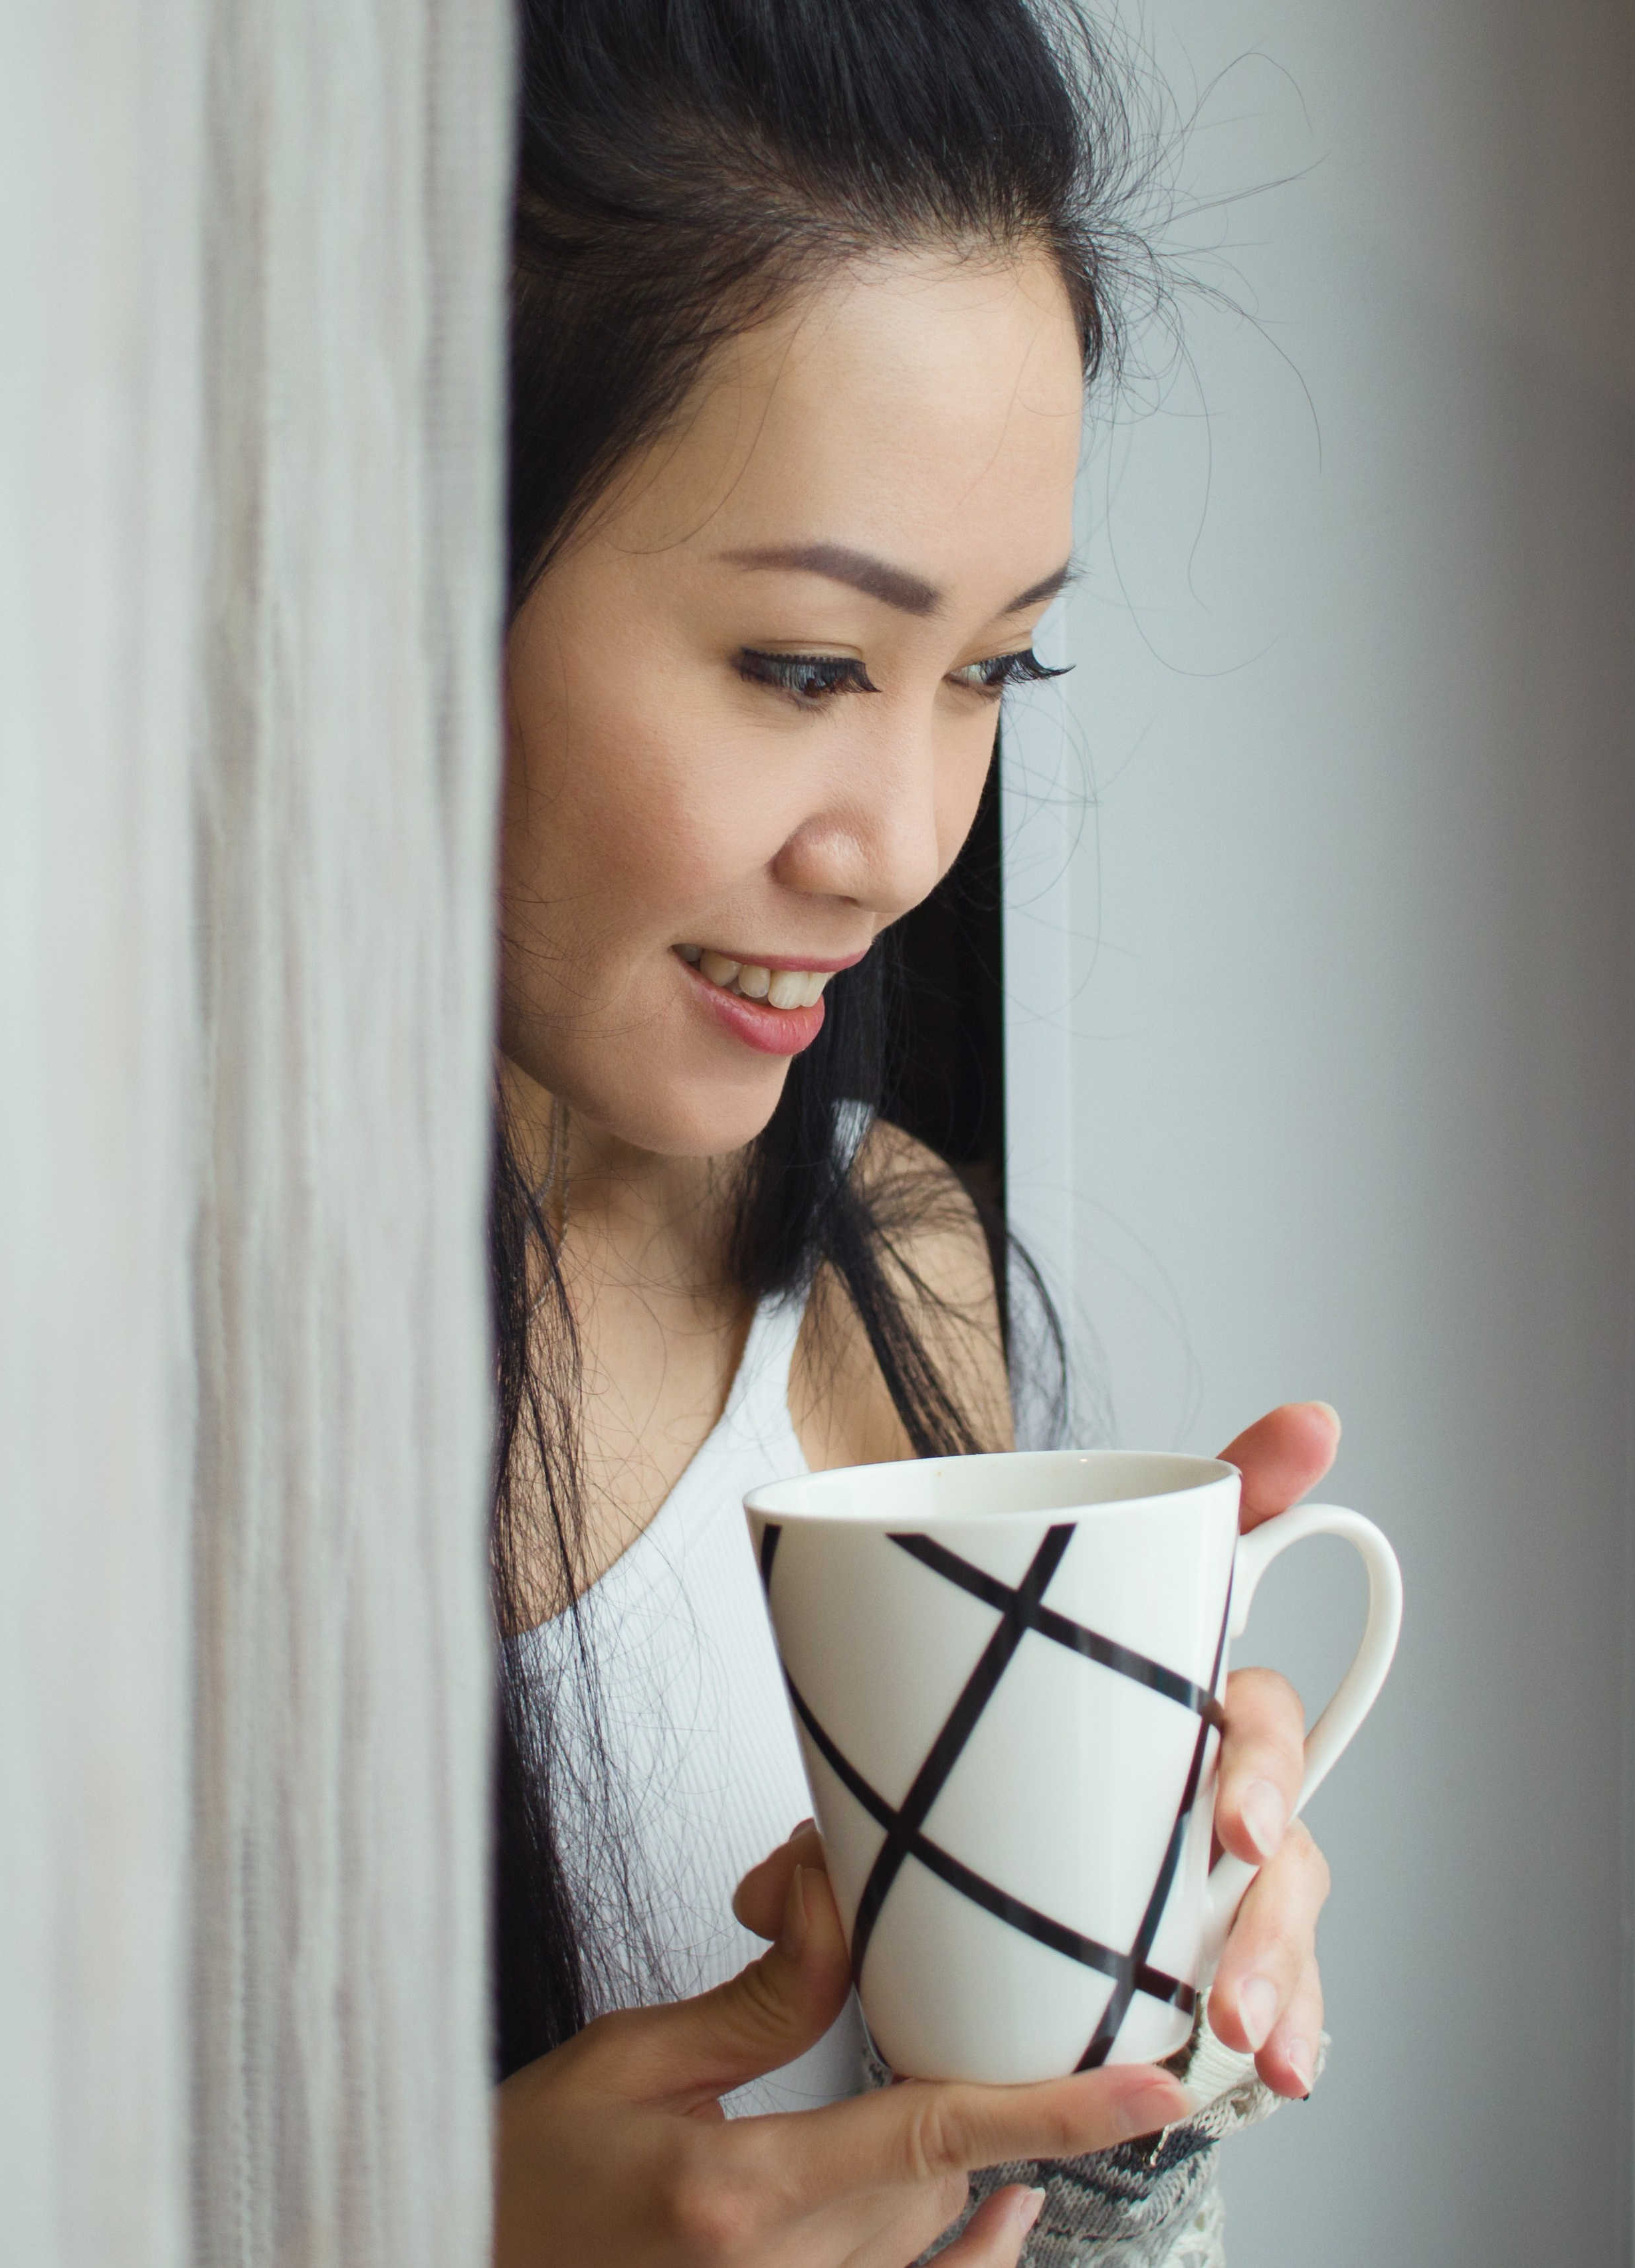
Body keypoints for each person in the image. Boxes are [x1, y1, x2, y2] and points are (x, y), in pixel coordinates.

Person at [489, 3, 1335, 2261]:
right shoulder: (51, 1416)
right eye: (801, 666)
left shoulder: (880, 1277)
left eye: (989, 672)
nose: (899, 849)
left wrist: (1149, 2035)